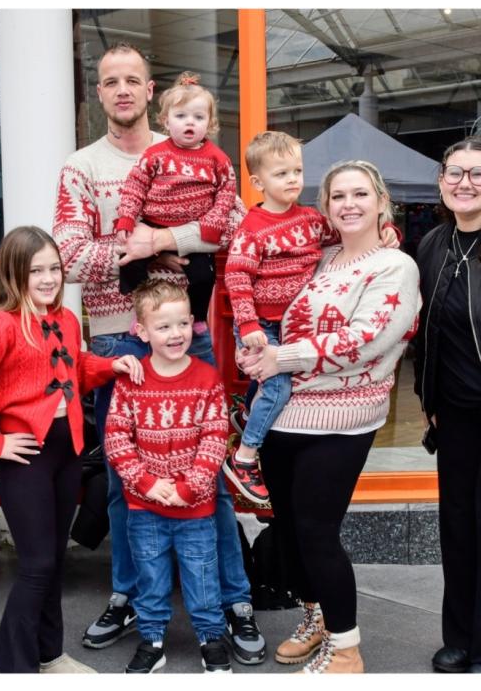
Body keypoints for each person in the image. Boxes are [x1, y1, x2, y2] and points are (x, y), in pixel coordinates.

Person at [51, 42, 263, 665]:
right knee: (124, 482)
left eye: (133, 81)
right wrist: (146, 253)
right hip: (118, 342)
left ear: (152, 92)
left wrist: (164, 235)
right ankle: (129, 596)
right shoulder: (81, 168)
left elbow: (238, 226)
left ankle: (234, 601)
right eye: (110, 82)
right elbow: (67, 253)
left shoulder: (195, 152)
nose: (121, 91)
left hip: (188, 334)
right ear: (99, 94)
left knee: (211, 479)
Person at [241, 160, 420, 673]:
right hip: (281, 418)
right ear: (325, 209)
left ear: (381, 201)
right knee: (291, 531)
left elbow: (367, 340)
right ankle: (316, 615)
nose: (349, 204)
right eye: (337, 196)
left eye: (360, 194)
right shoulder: (319, 259)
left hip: (341, 422)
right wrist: (256, 355)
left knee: (318, 532)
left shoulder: (394, 267)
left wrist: (284, 359)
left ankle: (346, 648)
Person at [0, 226, 143, 673]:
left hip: (66, 451)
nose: (49, 278)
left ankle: (50, 657)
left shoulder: (66, 320)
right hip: (26, 456)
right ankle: (11, 668)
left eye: (54, 268)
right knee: (36, 564)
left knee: (53, 562)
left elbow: (74, 369)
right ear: (16, 272)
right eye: (37, 270)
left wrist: (111, 365)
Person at [105, 279, 232, 673]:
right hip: (145, 507)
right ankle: (153, 639)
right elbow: (116, 440)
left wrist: (190, 486)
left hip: (195, 509)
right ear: (141, 331)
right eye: (162, 327)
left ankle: (211, 638)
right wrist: (148, 484)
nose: (174, 334)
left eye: (181, 324)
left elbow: (215, 436)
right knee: (151, 577)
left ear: (193, 324)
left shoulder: (207, 378)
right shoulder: (131, 380)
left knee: (203, 576)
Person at [412, 136, 481, 674]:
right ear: (440, 182)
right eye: (455, 173)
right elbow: (424, 336)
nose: (465, 183)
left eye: (477, 174)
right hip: (456, 415)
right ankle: (460, 637)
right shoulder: (434, 244)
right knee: (457, 527)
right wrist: (428, 400)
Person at [114, 72, 236, 324]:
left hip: (194, 231)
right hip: (152, 224)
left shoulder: (218, 158)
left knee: (204, 277)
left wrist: (213, 222)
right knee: (129, 264)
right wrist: (127, 217)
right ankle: (142, 314)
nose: (189, 122)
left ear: (210, 123)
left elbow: (226, 192)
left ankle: (198, 318)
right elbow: (134, 186)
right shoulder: (155, 154)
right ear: (166, 121)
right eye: (181, 116)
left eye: (198, 117)